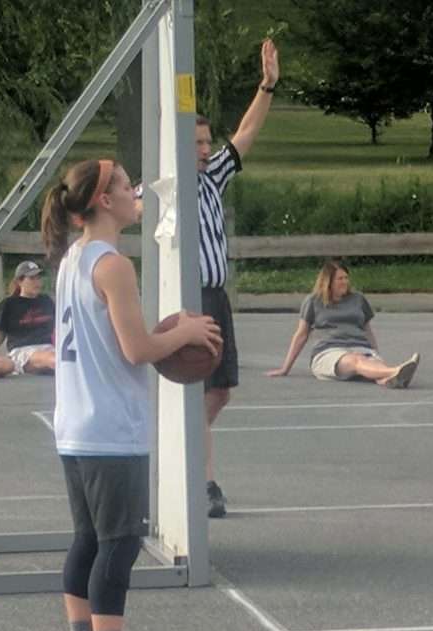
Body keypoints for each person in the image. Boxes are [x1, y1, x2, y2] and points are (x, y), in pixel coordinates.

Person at [40, 158, 221, 631]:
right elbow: (138, 349)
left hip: (74, 423)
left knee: (87, 540)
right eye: (123, 185)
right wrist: (186, 328)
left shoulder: (74, 258)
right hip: (110, 427)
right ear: (102, 202)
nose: (133, 191)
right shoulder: (113, 264)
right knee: (119, 545)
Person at [197, 38, 279, 519]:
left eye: (208, 142)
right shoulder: (162, 185)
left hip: (217, 296)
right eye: (197, 144)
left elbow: (246, 132)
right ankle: (203, 479)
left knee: (220, 390)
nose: (207, 150)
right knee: (198, 390)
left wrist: (267, 84)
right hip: (189, 299)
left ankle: (183, 444)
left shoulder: (212, 177)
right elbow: (131, 207)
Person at [266, 261, 420, 387]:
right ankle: (396, 370)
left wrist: (376, 354)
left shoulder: (358, 299)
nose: (345, 282)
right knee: (356, 361)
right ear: (328, 282)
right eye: (340, 279)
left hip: (360, 347)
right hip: (329, 351)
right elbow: (301, 335)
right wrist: (285, 368)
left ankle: (391, 379)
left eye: (346, 277)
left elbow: (367, 331)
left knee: (371, 365)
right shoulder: (313, 301)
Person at [0, 261, 56, 375]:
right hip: (22, 350)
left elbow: (56, 329)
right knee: (52, 359)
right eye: (32, 278)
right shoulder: (9, 304)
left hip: (48, 347)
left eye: (38, 278)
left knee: (64, 358)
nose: (37, 282)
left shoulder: (46, 301)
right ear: (19, 281)